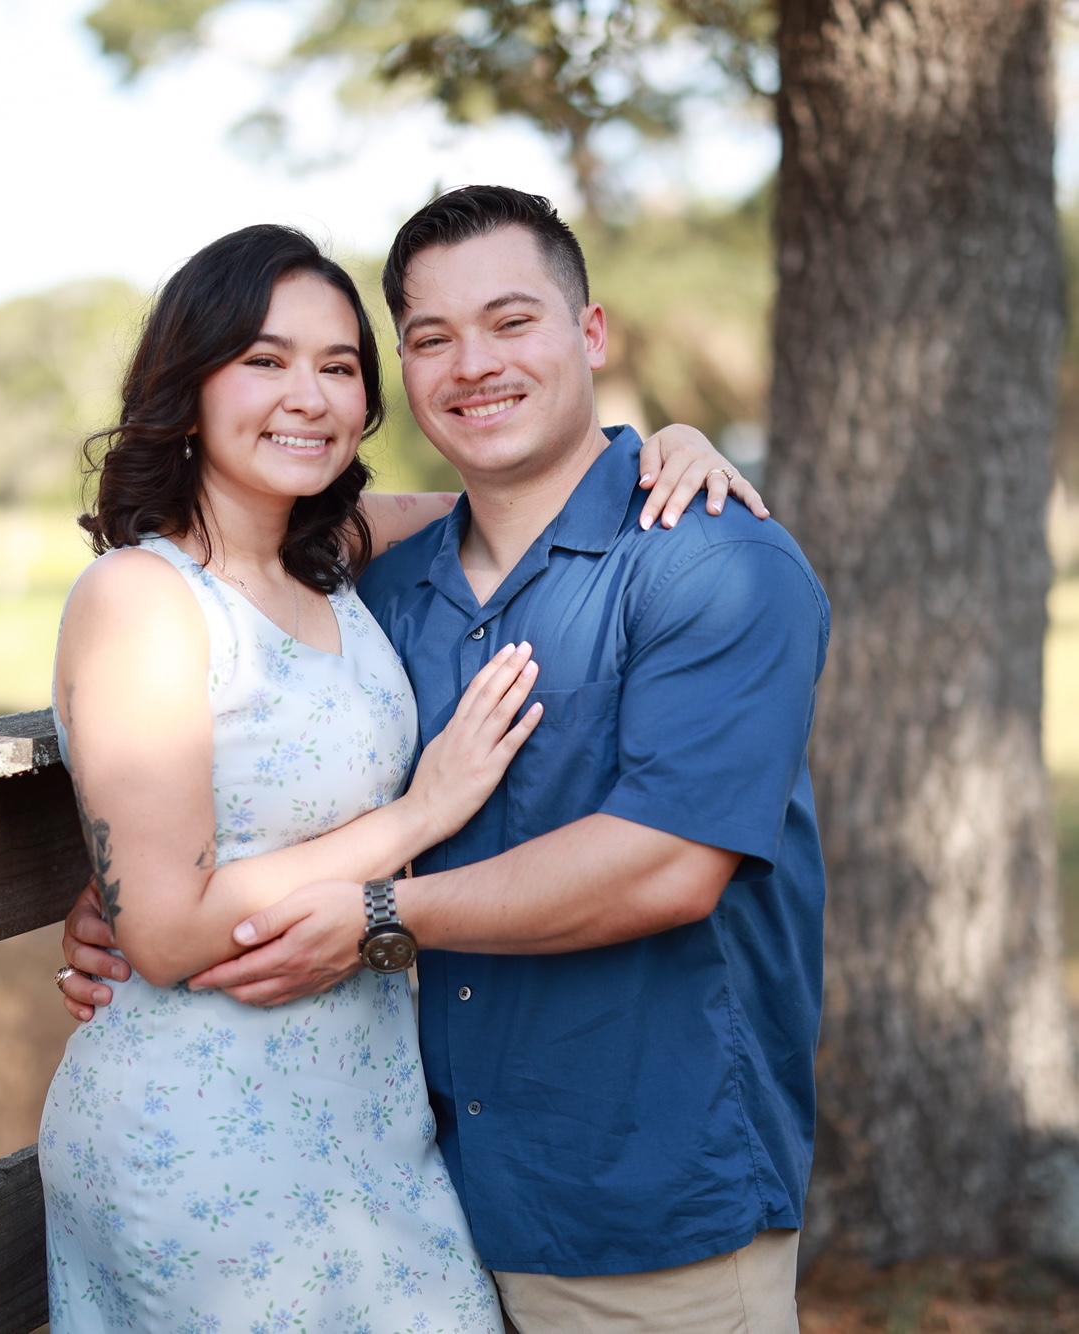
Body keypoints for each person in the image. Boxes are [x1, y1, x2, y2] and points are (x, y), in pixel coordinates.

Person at [67, 186, 828, 1331]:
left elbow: (669, 865)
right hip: (429, 1180)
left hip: (641, 1199)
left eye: (511, 321)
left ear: (590, 332)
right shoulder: (385, 585)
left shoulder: (710, 563)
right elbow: (214, 738)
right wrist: (135, 883)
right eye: (429, 338)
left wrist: (377, 912)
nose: (472, 364)